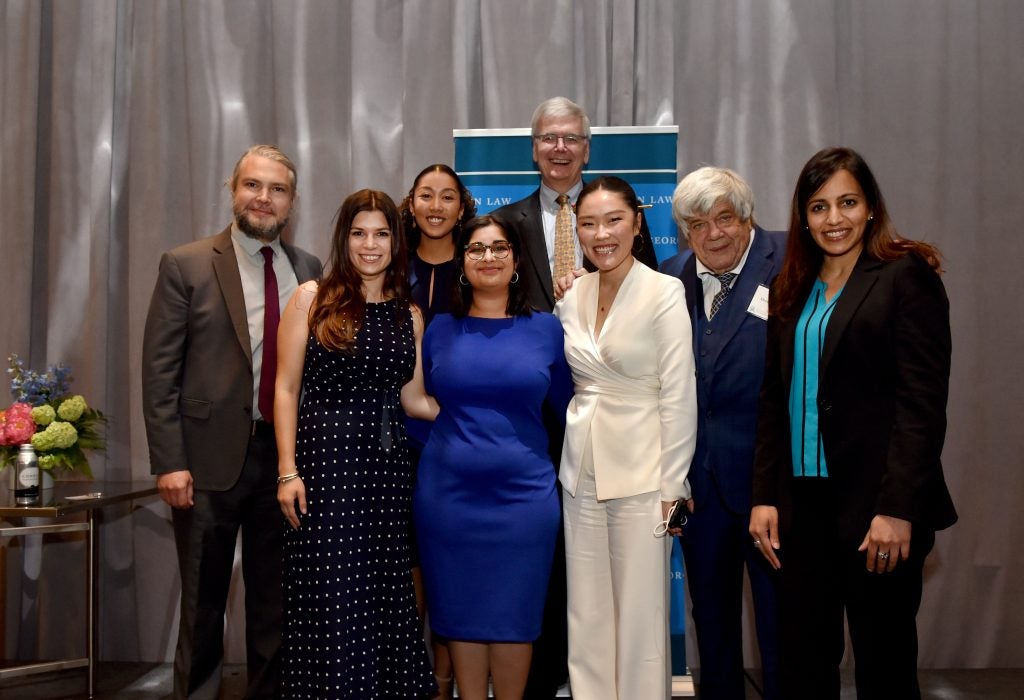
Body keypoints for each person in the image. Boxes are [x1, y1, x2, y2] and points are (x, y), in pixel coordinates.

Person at [749, 147, 957, 699]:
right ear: (803, 215)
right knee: (802, 665)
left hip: (876, 510)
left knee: (883, 665)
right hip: (802, 507)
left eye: (847, 203)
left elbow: (922, 404)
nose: (833, 219)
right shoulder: (791, 287)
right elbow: (774, 399)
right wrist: (765, 496)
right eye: (819, 207)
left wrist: (897, 509)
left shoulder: (904, 275)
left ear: (870, 208)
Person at [492, 95, 657, 699]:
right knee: (544, 560)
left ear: (587, 148)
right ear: (532, 149)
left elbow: (651, 303)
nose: (559, 149)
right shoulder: (503, 224)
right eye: (547, 139)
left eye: (570, 139)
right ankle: (545, 678)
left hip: (612, 423)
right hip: (527, 421)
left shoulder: (617, 216)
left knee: (607, 571)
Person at [142, 144, 321, 699]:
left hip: (284, 463)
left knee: (277, 605)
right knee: (203, 605)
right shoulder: (187, 263)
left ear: (291, 202)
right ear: (233, 189)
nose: (263, 198)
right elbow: (159, 372)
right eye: (253, 185)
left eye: (277, 189)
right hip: (205, 463)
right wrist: (170, 462)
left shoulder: (309, 269)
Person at [274, 189, 439, 698]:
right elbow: (284, 387)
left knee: (384, 599)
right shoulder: (310, 298)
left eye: (382, 233)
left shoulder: (408, 314)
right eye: (359, 233)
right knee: (330, 600)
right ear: (344, 238)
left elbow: (414, 400)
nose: (371, 245)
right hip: (323, 470)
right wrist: (286, 470)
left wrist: (483, 410)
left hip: (387, 474)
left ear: (397, 240)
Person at [413, 215, 574, 700]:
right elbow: (415, 403)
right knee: (459, 614)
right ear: (462, 261)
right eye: (477, 249)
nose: (489, 257)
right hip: (449, 497)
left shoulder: (548, 329)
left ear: (517, 260)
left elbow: (573, 410)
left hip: (524, 500)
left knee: (515, 617)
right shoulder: (438, 329)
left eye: (499, 248)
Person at [556, 176, 697, 700]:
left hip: (644, 473)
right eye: (588, 223)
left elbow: (679, 394)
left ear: (637, 223)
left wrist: (673, 486)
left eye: (613, 220)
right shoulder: (572, 294)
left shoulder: (665, 291)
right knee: (586, 611)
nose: (601, 234)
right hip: (579, 471)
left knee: (641, 616)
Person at [659, 167, 782, 700]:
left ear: (747, 216)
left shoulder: (792, 263)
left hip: (773, 487)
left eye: (724, 218)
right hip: (701, 491)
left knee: (785, 632)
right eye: (696, 224)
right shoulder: (670, 276)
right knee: (714, 633)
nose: (712, 234)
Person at [399, 163, 477, 699]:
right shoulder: (387, 264)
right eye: (426, 195)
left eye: (447, 196)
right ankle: (411, 676)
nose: (435, 206)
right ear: (410, 205)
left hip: (456, 437)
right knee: (405, 565)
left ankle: (445, 683)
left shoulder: (478, 269)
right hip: (392, 436)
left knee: (450, 566)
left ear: (462, 207)